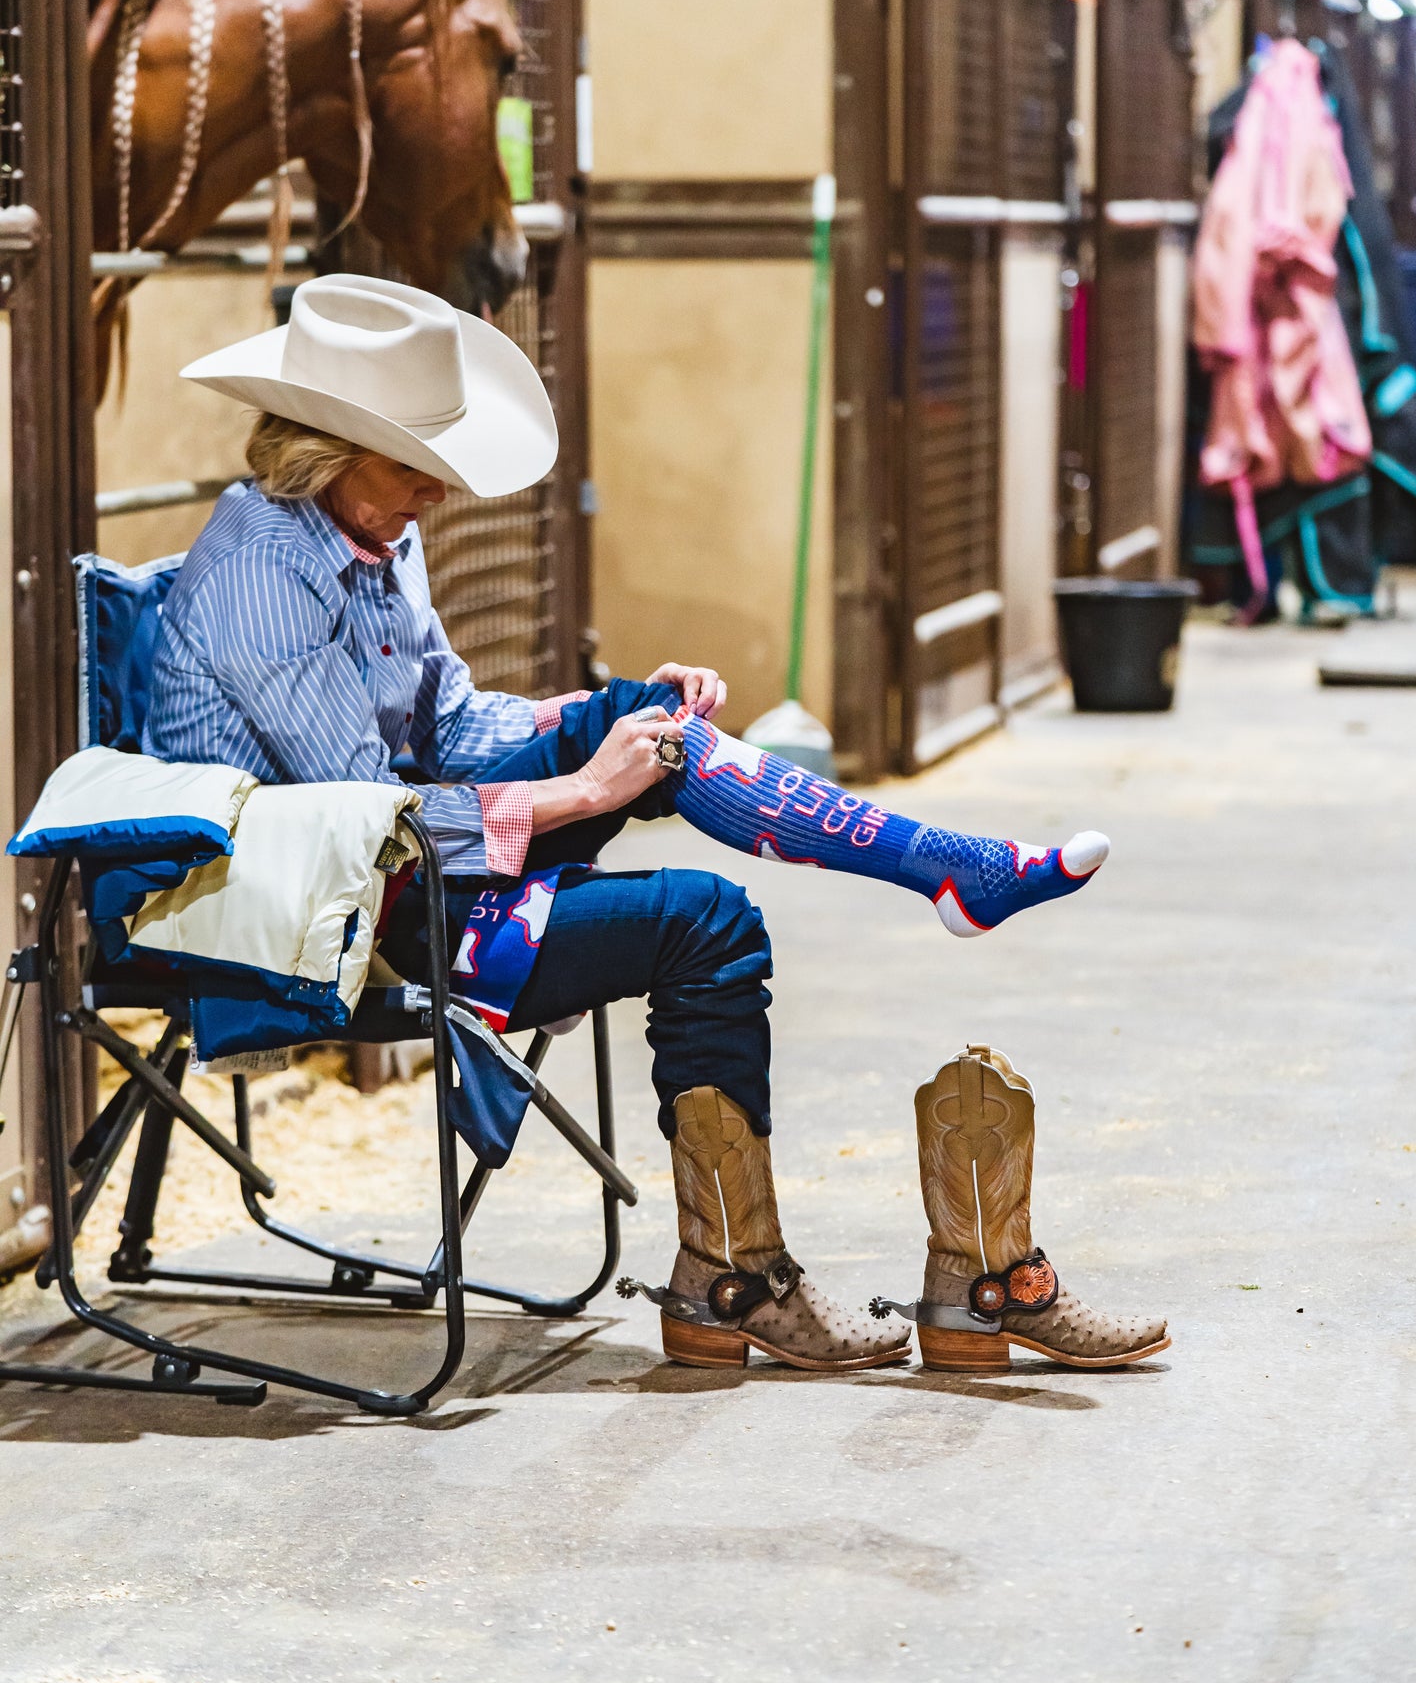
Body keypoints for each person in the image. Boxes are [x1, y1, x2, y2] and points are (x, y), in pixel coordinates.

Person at [150, 273, 1165, 1372]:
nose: (437, 494)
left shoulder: (367, 532)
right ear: (324, 446)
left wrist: (593, 719)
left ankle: (948, 870)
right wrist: (587, 790)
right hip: (326, 904)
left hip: (395, 849)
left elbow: (447, 716)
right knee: (704, 920)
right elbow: (373, 816)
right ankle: (731, 1281)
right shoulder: (265, 571)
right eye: (414, 466)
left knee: (654, 721)